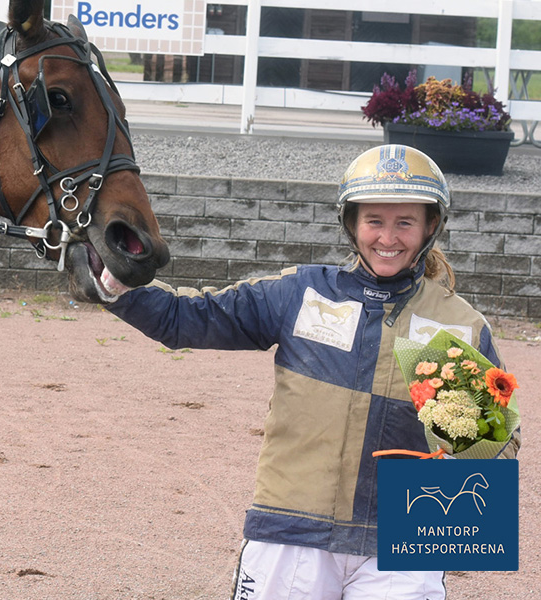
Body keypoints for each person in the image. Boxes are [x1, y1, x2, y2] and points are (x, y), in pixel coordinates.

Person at [102, 144, 519, 600]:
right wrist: (115, 282)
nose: (388, 237)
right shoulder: (301, 292)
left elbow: (494, 447)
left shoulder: (454, 325)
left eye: (405, 222)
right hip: (292, 529)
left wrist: (464, 457)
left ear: (430, 227)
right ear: (351, 223)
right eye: (374, 221)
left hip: (402, 546)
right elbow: (186, 318)